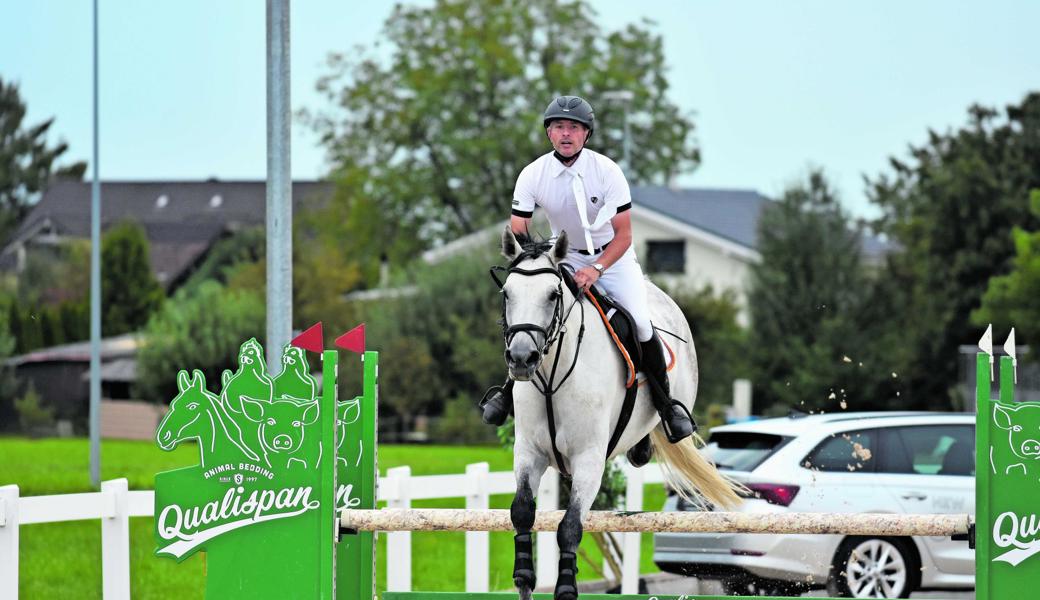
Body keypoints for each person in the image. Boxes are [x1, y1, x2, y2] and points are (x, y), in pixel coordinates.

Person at [479, 95, 695, 444]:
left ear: (586, 135)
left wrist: (596, 269)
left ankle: (666, 404)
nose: (566, 134)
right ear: (549, 133)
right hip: (561, 253)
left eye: (574, 128)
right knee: (533, 312)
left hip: (612, 257)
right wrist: (531, 259)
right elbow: (518, 228)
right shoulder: (532, 174)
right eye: (559, 127)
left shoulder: (607, 171)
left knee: (639, 321)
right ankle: (507, 391)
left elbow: (624, 235)